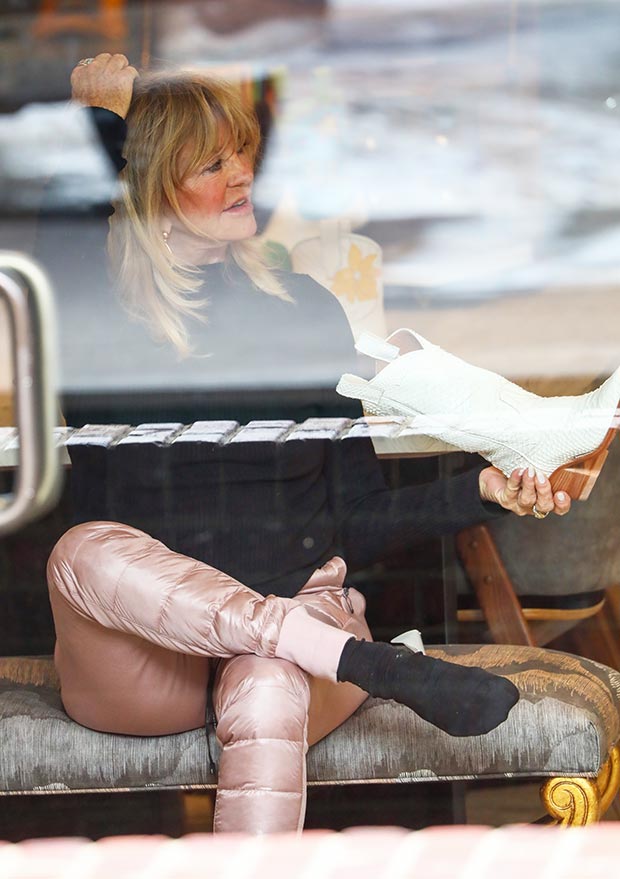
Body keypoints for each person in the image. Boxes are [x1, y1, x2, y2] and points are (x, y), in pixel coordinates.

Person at [48, 53, 571, 834]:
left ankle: (313, 649)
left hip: (296, 652)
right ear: (153, 186)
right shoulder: (102, 322)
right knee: (81, 552)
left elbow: (351, 516)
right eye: (211, 162)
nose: (242, 177)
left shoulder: (301, 311)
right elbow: (64, 244)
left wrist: (482, 490)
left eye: (243, 155)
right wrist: (108, 124)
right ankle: (372, 663)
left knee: (266, 678)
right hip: (145, 659)